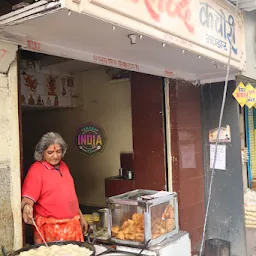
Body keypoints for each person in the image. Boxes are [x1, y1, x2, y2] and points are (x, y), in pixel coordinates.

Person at [21, 132, 88, 243]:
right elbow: (27, 200)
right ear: (42, 153)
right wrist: (27, 207)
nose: (55, 156)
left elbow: (71, 196)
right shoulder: (36, 171)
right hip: (51, 230)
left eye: (58, 152)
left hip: (72, 226)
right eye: (50, 152)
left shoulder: (64, 166)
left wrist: (81, 216)